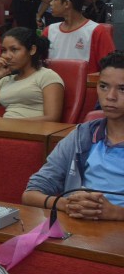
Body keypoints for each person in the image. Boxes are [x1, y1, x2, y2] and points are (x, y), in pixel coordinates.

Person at [22, 50, 124, 220]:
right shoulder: (81, 136)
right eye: (103, 86)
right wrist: (66, 204)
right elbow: (30, 194)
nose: (110, 97)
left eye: (122, 89)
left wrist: (116, 213)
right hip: (80, 231)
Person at [0, 27, 64, 122]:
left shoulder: (47, 76)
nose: (7, 56)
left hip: (33, 133)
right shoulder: (6, 80)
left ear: (32, 50)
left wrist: (7, 123)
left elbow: (52, 118)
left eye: (14, 50)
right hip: (7, 131)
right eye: (4, 50)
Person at [43, 0, 116, 73]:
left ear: (66, 4)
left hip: (85, 86)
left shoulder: (97, 31)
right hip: (51, 86)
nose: (51, 3)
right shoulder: (49, 31)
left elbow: (112, 69)